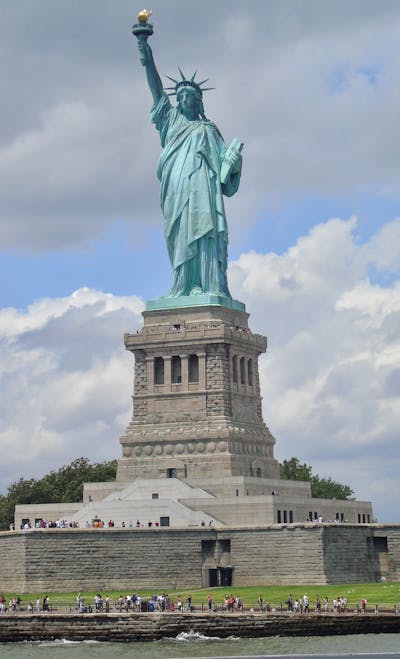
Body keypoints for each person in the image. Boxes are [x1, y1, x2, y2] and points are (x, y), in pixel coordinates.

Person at [136, 38, 242, 298]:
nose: (184, 100)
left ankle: (208, 285)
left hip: (203, 189)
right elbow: (156, 88)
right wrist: (145, 49)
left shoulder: (209, 129)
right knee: (181, 232)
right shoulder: (169, 120)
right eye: (180, 96)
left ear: (198, 102)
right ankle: (183, 285)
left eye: (190, 97)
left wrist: (234, 162)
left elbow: (225, 175)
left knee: (204, 231)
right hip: (176, 186)